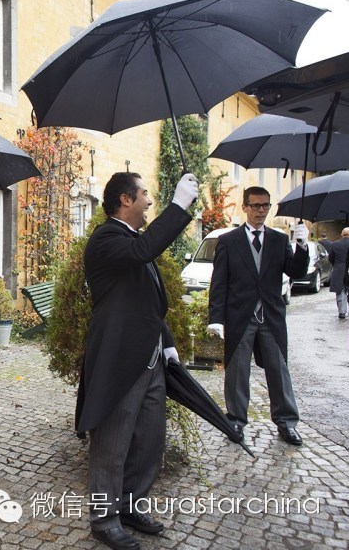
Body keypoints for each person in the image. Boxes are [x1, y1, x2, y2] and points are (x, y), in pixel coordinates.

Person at [78, 172, 198, 550]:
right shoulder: (106, 240)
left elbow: (148, 300)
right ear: (125, 200)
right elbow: (144, 251)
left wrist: (167, 343)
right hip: (119, 359)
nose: (149, 201)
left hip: (150, 358)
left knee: (149, 440)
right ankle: (103, 519)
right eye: (145, 194)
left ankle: (130, 505)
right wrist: (179, 207)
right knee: (111, 444)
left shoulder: (133, 239)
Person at [208, 186, 309, 446]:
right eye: (255, 206)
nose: (260, 211)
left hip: (271, 318)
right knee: (237, 372)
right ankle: (236, 420)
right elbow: (219, 282)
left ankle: (287, 423)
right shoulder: (229, 241)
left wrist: (302, 245)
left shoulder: (278, 240)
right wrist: (216, 318)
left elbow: (296, 271)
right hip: (240, 316)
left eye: (265, 206)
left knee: (279, 371)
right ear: (245, 207)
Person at [327, 227, 349, 319]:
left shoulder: (335, 244)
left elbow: (330, 258)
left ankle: (342, 311)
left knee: (341, 291)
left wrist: (337, 265)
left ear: (342, 234)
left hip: (339, 270)